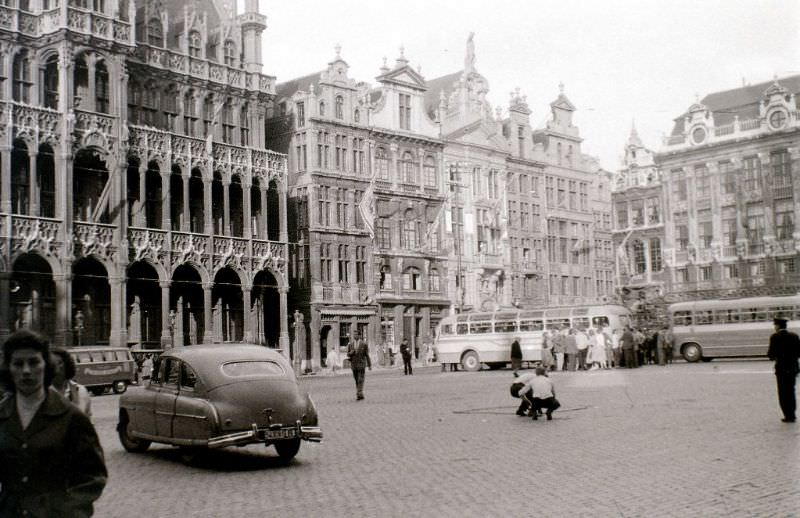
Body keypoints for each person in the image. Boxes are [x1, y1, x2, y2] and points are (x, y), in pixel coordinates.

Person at [0, 330, 107, 517]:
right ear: (8, 369)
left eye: (33, 362)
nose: (26, 371)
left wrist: (68, 510)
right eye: (18, 363)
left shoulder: (71, 417)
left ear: (46, 365)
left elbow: (93, 476)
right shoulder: (2, 416)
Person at [767, 317, 800, 423]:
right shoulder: (794, 336)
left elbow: (771, 355)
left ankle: (787, 415)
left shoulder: (774, 337)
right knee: (791, 391)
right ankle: (793, 414)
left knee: (783, 392)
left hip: (781, 369)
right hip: (793, 368)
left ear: (777, 326)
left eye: (775, 325)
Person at [50, 347, 92, 417]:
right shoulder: (43, 393)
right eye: (52, 363)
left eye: (60, 363)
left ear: (67, 364)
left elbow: (88, 420)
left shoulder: (80, 391)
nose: (56, 367)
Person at [347, 334, 371, 400]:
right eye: (354, 334)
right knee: (356, 380)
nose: (355, 336)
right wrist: (350, 353)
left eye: (356, 334)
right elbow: (348, 354)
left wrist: (369, 365)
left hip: (361, 364)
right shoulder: (351, 344)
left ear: (359, 336)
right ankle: (360, 393)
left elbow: (367, 355)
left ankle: (359, 392)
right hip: (354, 365)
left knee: (361, 379)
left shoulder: (364, 344)